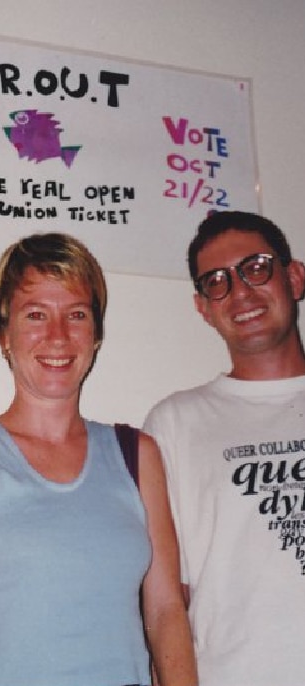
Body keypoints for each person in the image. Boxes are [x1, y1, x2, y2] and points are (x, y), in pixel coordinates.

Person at [0, 232, 197, 686]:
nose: (58, 336)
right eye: (35, 315)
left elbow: (167, 611)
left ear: (96, 335)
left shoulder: (138, 454)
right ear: (2, 333)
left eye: (76, 315)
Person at [143, 210, 305, 686]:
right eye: (217, 282)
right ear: (203, 307)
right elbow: (168, 601)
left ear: (293, 276)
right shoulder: (174, 424)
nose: (239, 293)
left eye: (255, 268)